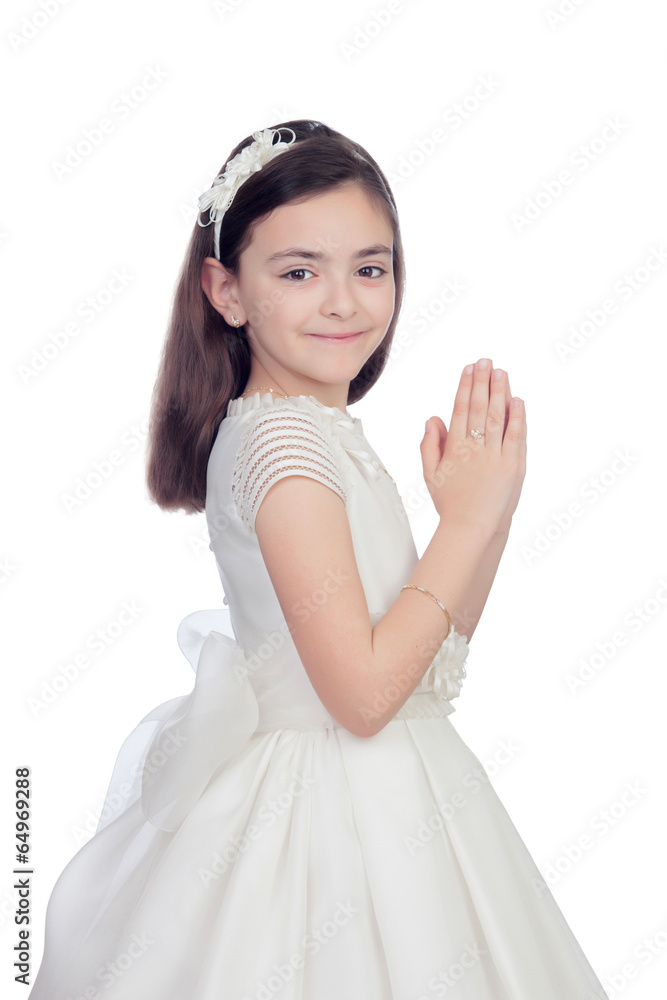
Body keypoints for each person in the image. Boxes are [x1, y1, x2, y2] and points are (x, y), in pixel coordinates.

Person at [29, 120, 608, 999]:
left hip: (401, 794)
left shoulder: (314, 432)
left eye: (368, 268)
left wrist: (482, 516)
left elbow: (429, 660)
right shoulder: (284, 445)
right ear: (226, 291)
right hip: (331, 820)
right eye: (298, 271)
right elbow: (364, 696)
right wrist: (464, 526)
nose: (343, 301)